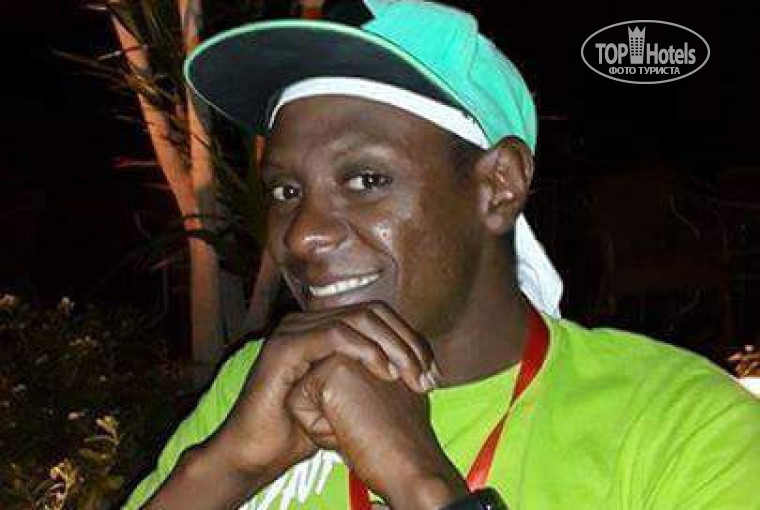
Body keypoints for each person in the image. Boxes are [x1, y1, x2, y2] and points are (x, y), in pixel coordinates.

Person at [124, 1, 759, 508]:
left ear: (499, 185)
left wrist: (422, 484)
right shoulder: (261, 386)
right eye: (286, 192)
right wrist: (229, 466)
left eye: (366, 180)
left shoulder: (681, 428)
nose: (301, 236)